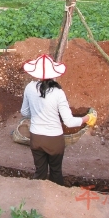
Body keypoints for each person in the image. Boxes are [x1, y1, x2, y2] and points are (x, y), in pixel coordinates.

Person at [20, 54, 96, 186]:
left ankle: (36, 200)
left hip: (36, 138)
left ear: (35, 72)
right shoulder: (57, 92)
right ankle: (56, 200)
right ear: (54, 73)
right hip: (54, 140)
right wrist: (87, 118)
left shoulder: (29, 88)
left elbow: (24, 112)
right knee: (56, 173)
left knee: (40, 173)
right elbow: (69, 122)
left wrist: (37, 113)